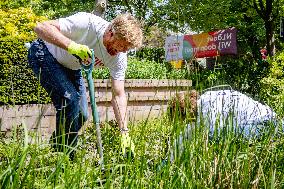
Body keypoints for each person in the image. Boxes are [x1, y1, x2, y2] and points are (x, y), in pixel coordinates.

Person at [27, 12, 143, 158]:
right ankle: (65, 159)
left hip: (71, 67)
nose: (118, 52)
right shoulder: (86, 23)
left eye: (125, 49)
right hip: (43, 53)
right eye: (119, 46)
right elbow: (40, 27)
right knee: (70, 102)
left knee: (81, 114)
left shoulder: (119, 58)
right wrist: (72, 46)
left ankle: (55, 150)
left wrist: (124, 132)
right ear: (111, 33)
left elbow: (118, 95)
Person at [166, 89, 283, 163]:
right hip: (269, 123)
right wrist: (168, 160)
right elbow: (185, 136)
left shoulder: (208, 111)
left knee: (214, 138)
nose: (185, 123)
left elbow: (213, 135)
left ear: (185, 112)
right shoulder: (206, 99)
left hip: (268, 128)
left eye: (183, 120)